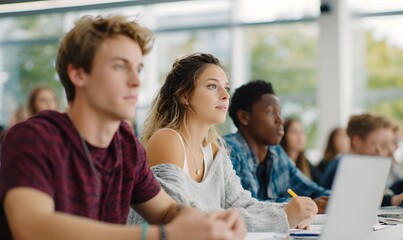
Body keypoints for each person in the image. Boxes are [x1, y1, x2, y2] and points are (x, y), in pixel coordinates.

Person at [0, 15, 244, 240]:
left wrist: (210, 221)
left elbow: (167, 210)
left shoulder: (125, 145)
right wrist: (161, 235)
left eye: (138, 69)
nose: (136, 81)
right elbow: (31, 226)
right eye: (120, 66)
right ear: (78, 74)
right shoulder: (35, 137)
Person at [128, 53, 318, 232]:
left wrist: (291, 210)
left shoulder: (214, 149)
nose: (226, 95)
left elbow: (242, 203)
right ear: (185, 96)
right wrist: (282, 216)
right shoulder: (167, 139)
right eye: (212, 86)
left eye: (226, 88)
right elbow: (184, 219)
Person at [223, 80, 330, 213]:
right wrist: (303, 205)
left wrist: (335, 199)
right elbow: (248, 207)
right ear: (244, 117)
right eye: (270, 112)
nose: (280, 120)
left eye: (279, 113)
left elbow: (311, 190)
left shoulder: (277, 152)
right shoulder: (229, 151)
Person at [320, 113, 403, 206]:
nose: (381, 152)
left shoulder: (358, 166)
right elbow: (357, 202)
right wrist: (392, 200)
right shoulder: (343, 167)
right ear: (357, 141)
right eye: (379, 145)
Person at [280, 118, 321, 183]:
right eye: (294, 132)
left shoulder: (306, 163)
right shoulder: (279, 163)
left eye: (302, 132)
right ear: (284, 136)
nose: (300, 136)